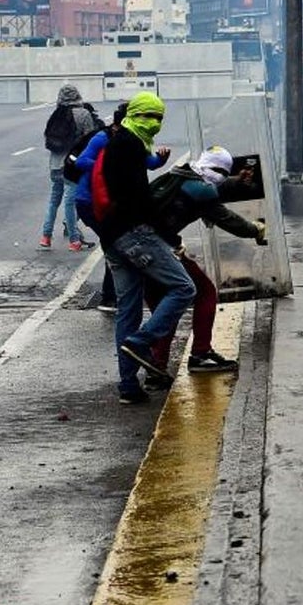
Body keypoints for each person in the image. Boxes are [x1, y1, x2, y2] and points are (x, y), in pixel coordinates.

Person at [141, 146, 268, 386]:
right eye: (222, 173)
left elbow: (210, 189)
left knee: (164, 308)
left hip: (138, 247)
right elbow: (225, 217)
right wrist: (255, 229)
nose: (220, 178)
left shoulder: (181, 173)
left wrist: (234, 182)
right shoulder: (199, 189)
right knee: (205, 292)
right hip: (160, 249)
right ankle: (200, 353)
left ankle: (156, 368)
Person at [99, 92, 196, 405]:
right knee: (183, 288)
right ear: (135, 114)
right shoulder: (129, 145)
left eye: (159, 118)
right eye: (148, 117)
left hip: (112, 236)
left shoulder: (123, 140)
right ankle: (142, 343)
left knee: (127, 310)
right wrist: (171, 237)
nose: (153, 124)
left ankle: (128, 386)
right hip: (133, 233)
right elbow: (141, 201)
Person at [73, 102, 170, 313]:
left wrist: (161, 160)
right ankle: (110, 297)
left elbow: (148, 163)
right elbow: (81, 162)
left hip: (112, 202)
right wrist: (110, 164)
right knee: (116, 243)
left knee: (116, 243)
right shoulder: (104, 138)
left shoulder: (134, 140)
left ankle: (116, 296)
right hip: (90, 201)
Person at [40, 84, 100, 251]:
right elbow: (90, 140)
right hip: (72, 166)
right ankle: (74, 240)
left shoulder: (56, 114)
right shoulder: (83, 113)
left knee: (53, 201)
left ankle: (46, 237)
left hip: (54, 165)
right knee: (70, 203)